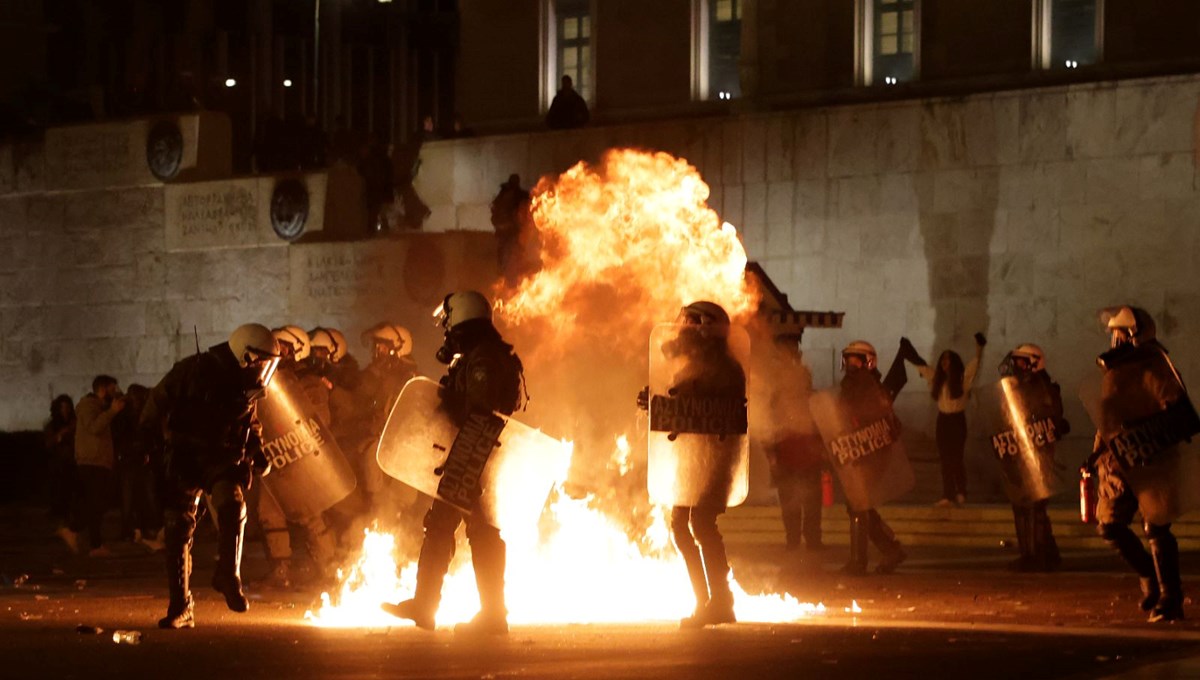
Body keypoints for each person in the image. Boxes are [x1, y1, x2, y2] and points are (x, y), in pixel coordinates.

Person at [382, 291, 526, 635]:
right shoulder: (478, 356)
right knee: (441, 527)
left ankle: (492, 615)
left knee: (483, 532)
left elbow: (479, 413)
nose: (445, 330)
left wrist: (462, 457)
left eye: (448, 322)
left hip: (476, 459)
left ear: (460, 320)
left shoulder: (484, 361)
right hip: (467, 456)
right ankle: (425, 606)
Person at [140, 323, 282, 629]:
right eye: (263, 360)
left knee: (232, 503)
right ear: (246, 354)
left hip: (221, 457)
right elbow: (157, 400)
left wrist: (257, 451)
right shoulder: (192, 371)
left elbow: (249, 422)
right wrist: (143, 439)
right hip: (185, 455)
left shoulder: (247, 384)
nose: (265, 368)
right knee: (177, 526)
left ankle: (228, 575)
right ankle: (181, 607)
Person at [1086, 306, 1195, 623]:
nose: (1113, 338)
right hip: (1120, 461)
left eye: (1118, 332)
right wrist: (1094, 456)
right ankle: (1148, 575)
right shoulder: (1113, 370)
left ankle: (1170, 599)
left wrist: (1150, 427)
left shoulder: (1155, 365)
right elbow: (1106, 418)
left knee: (1156, 526)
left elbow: (1174, 407)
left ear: (1132, 334)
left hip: (1152, 457)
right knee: (1109, 525)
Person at [661, 301, 745, 628]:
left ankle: (721, 601)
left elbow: (715, 409)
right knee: (681, 526)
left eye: (690, 323)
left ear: (706, 328)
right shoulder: (693, 364)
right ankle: (705, 602)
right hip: (691, 457)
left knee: (702, 524)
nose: (683, 329)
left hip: (714, 457)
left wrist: (685, 397)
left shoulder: (724, 368)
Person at [253, 325, 339, 588]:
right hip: (275, 457)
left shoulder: (310, 382)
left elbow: (319, 420)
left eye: (283, 346)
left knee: (309, 514)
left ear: (296, 350)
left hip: (301, 460)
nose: (276, 350)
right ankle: (281, 569)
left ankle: (332, 568)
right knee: (268, 512)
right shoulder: (268, 379)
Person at [835, 339, 914, 575]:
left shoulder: (872, 388)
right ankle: (891, 550)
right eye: (848, 360)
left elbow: (885, 422)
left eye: (855, 360)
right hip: (854, 452)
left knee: (858, 505)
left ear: (868, 362)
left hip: (870, 454)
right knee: (859, 506)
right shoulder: (848, 386)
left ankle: (859, 561)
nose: (851, 365)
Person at [995, 344, 1066, 572]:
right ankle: (1044, 552)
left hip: (1038, 454)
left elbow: (1049, 417)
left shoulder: (1043, 388)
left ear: (1034, 363)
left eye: (1021, 362)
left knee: (1033, 505)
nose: (1016, 366)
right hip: (1020, 452)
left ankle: (1035, 555)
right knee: (1026, 505)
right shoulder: (1021, 387)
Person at [764, 336, 825, 563]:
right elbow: (771, 424)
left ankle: (810, 540)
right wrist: (772, 452)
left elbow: (817, 419)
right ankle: (796, 540)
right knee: (791, 500)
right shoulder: (778, 396)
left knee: (809, 501)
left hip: (806, 451)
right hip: (788, 452)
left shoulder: (808, 396)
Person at [911, 333, 985, 507]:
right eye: (942, 359)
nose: (944, 362)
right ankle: (947, 494)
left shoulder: (962, 380)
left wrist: (979, 348)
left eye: (948, 359)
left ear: (954, 362)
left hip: (957, 421)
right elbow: (922, 367)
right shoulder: (938, 380)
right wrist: (908, 352)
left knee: (956, 458)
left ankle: (960, 491)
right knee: (945, 459)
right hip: (943, 421)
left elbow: (974, 366)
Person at [72, 375, 127, 558]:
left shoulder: (101, 408)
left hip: (100, 462)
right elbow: (94, 428)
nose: (115, 392)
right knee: (95, 504)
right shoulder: (88, 406)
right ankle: (92, 542)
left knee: (98, 503)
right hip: (91, 462)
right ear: (102, 389)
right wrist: (112, 411)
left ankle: (76, 531)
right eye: (112, 389)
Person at [112, 384, 163, 551]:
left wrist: (146, 449)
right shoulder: (126, 417)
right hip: (129, 461)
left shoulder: (142, 414)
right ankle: (131, 529)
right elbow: (121, 437)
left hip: (141, 460)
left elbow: (150, 434)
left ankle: (145, 527)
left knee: (147, 496)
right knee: (130, 497)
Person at [44, 395, 78, 551]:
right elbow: (49, 444)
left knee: (72, 496)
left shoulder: (74, 424)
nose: (65, 411)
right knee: (61, 495)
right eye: (62, 408)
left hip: (72, 464)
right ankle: (63, 525)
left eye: (67, 407)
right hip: (58, 466)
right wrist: (60, 435)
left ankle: (69, 526)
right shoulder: (53, 426)